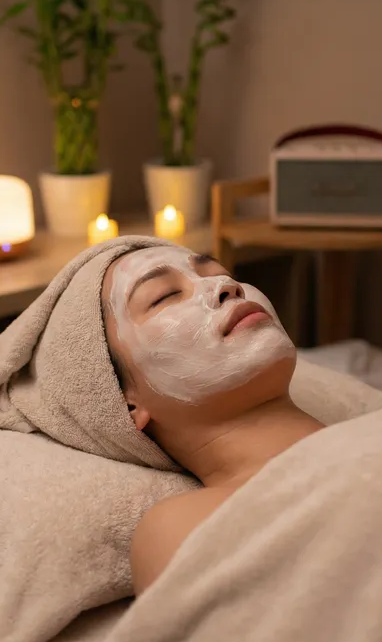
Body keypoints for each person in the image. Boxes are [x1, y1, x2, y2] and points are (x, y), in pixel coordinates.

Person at [101, 243, 325, 594]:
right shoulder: (186, 529)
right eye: (164, 296)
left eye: (222, 273)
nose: (226, 287)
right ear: (127, 404)